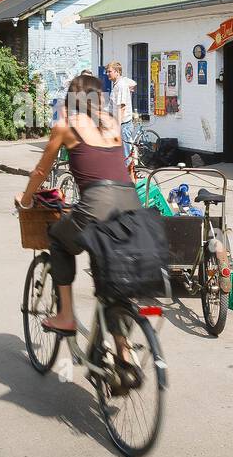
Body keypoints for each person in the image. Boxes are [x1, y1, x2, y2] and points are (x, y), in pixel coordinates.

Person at [16, 74, 146, 388]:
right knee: (111, 280)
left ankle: (66, 316)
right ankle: (124, 355)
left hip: (96, 205)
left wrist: (26, 199)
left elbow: (41, 169)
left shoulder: (66, 126)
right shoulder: (113, 124)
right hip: (130, 207)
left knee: (59, 239)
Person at [104, 61, 138, 165]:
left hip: (123, 126)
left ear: (117, 72)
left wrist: (117, 127)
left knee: (125, 155)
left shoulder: (121, 85)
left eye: (109, 71)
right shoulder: (117, 85)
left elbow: (122, 107)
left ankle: (128, 179)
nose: (107, 74)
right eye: (106, 72)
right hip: (119, 124)